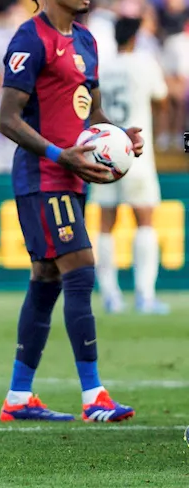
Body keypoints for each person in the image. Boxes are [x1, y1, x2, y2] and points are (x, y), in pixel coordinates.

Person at [0, 0, 139, 423]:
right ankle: (93, 394)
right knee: (80, 269)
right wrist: (60, 155)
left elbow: (90, 115)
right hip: (44, 176)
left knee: (47, 282)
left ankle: (18, 398)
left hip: (74, 176)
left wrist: (118, 137)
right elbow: (7, 119)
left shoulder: (87, 42)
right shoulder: (29, 39)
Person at [93, 17, 169, 315]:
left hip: (104, 152)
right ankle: (144, 295)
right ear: (135, 38)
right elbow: (162, 99)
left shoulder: (103, 67)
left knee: (105, 223)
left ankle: (110, 294)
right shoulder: (143, 63)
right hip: (136, 151)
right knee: (145, 219)